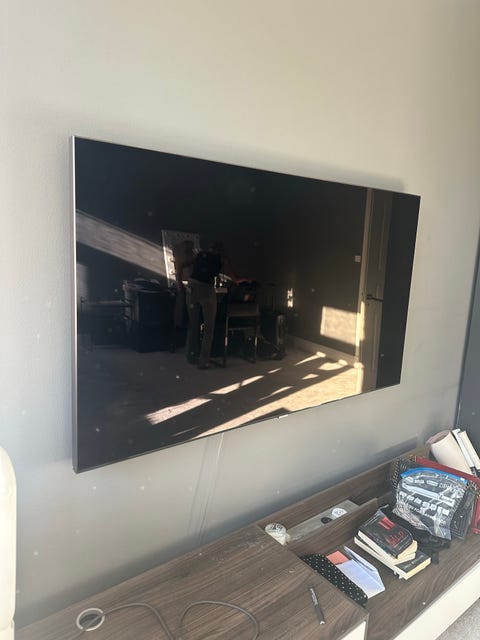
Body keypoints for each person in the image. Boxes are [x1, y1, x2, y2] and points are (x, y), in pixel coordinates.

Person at [185, 241, 244, 369]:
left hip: (192, 287)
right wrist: (247, 280)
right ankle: (203, 362)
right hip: (206, 290)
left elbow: (181, 265)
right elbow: (235, 279)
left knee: (193, 324)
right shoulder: (222, 259)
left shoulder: (200, 255)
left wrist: (179, 284)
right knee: (209, 328)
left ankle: (190, 356)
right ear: (221, 251)